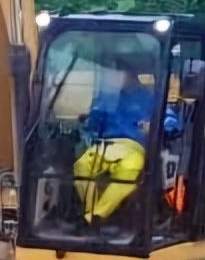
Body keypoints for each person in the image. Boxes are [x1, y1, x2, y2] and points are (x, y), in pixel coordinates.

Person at [73, 56, 182, 223]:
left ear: (130, 74)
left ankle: (98, 216)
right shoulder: (105, 98)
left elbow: (171, 120)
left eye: (117, 72)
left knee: (131, 167)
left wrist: (156, 125)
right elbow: (92, 124)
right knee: (81, 166)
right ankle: (92, 216)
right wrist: (86, 120)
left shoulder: (150, 98)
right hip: (105, 146)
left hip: (133, 147)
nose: (113, 77)